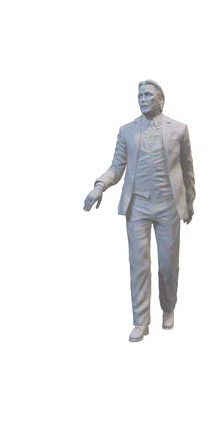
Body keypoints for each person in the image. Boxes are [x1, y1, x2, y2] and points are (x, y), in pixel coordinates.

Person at [83, 80, 195, 342]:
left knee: (168, 264)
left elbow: (187, 169)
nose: (143, 99)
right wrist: (100, 186)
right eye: (140, 96)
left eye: (148, 95)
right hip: (138, 206)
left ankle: (168, 308)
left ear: (160, 100)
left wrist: (189, 202)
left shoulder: (178, 129)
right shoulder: (127, 131)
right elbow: (116, 166)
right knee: (138, 265)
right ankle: (141, 321)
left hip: (168, 204)